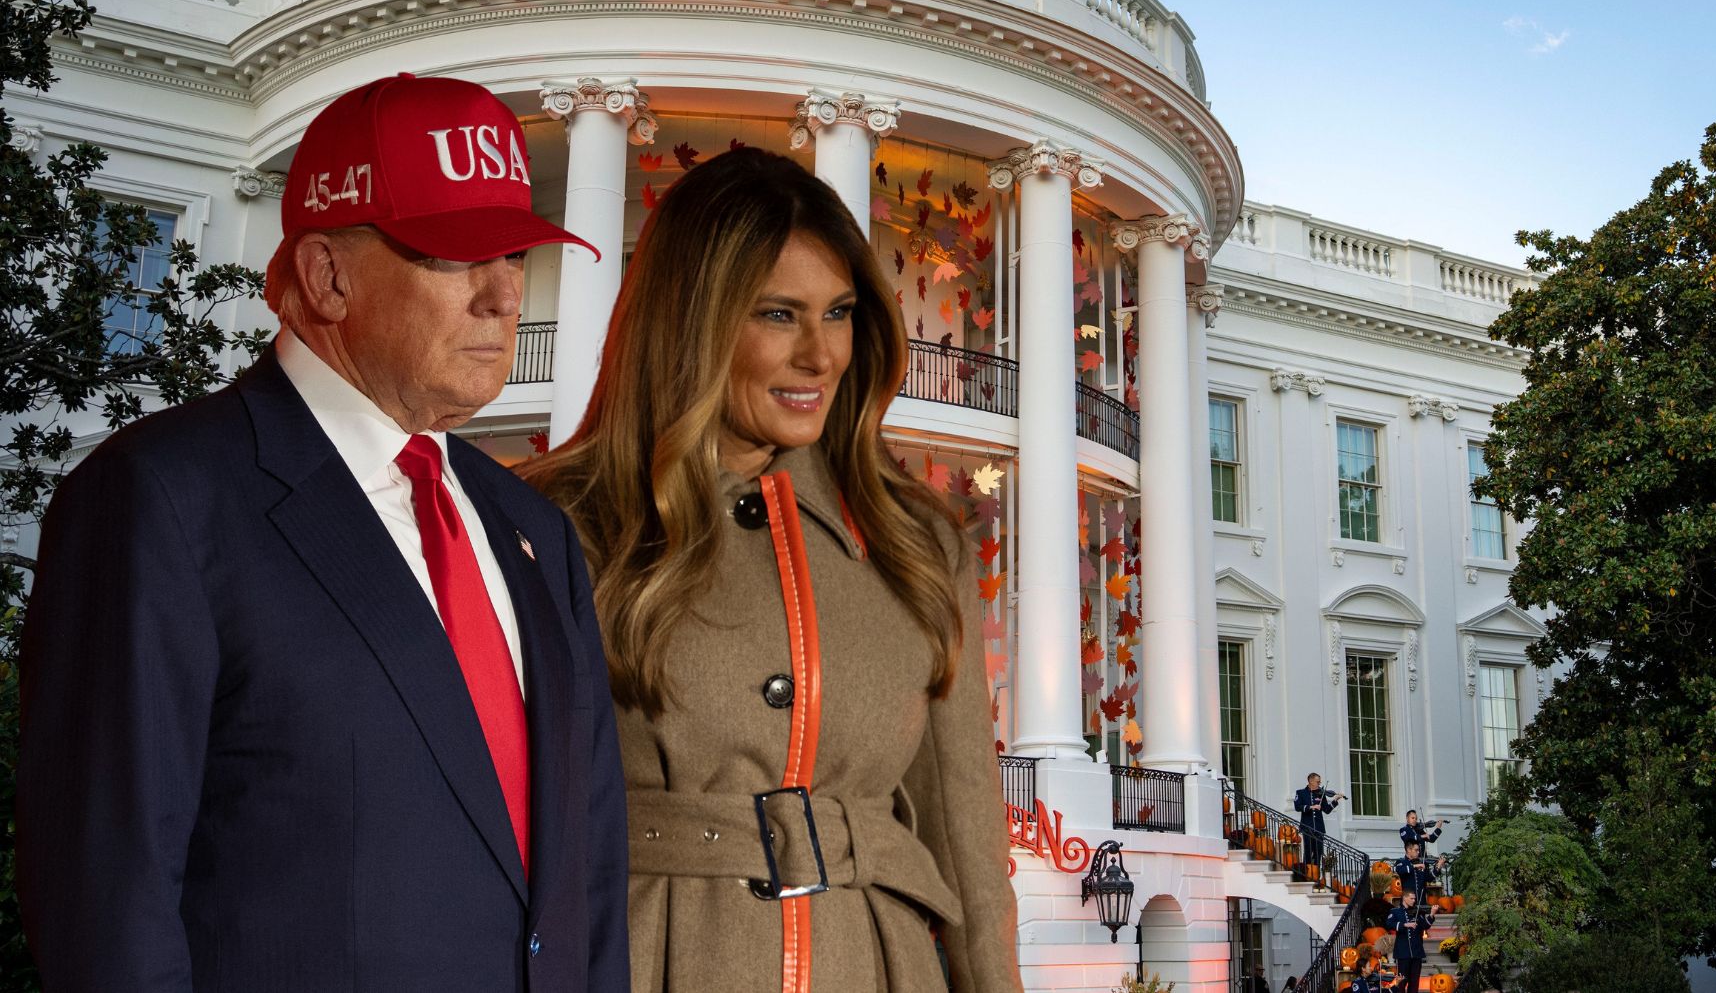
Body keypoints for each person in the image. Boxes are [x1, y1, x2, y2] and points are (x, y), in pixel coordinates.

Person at [15, 74, 630, 992]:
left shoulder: (531, 530)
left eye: (513, 251)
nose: (504, 294)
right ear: (326, 275)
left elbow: (586, 893)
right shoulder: (161, 499)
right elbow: (112, 907)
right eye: (454, 254)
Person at [521, 146, 1021, 992]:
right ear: (693, 320)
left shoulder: (917, 545)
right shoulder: (552, 525)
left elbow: (968, 846)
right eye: (779, 314)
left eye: (840, 312)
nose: (822, 355)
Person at [1386, 888, 1433, 993]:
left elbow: (1425, 925)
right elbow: (1389, 924)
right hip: (1403, 954)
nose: (1414, 901)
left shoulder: (1417, 913)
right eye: (1411, 898)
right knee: (1401, 983)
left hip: (1416, 953)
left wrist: (1432, 914)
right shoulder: (1395, 912)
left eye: (1414, 899)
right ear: (1405, 898)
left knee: (1414, 982)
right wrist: (1404, 925)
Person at [1293, 772, 1344, 866]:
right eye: (1318, 782)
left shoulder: (1321, 794)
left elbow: (1327, 810)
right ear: (1310, 781)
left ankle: (1316, 874)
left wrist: (1335, 800)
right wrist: (1311, 807)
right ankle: (1307, 874)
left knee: (1318, 852)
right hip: (1307, 827)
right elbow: (1297, 807)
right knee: (1308, 851)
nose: (1319, 784)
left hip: (1319, 828)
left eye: (1320, 782)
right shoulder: (1300, 793)